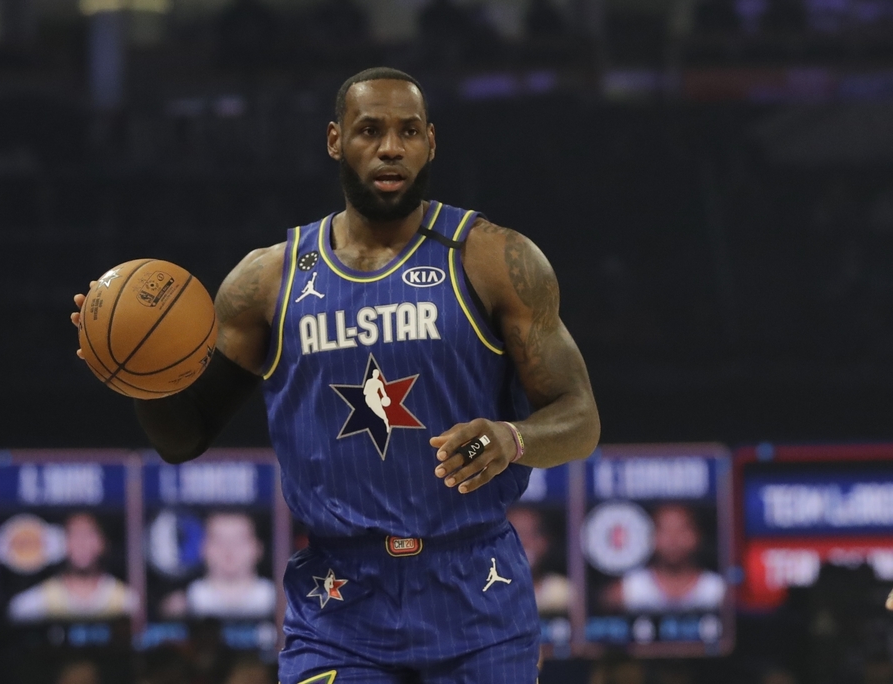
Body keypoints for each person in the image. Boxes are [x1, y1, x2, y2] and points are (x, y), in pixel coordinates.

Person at [72, 67, 600, 683]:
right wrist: (140, 376)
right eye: (369, 130)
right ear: (334, 140)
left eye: (408, 131)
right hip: (338, 602)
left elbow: (580, 418)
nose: (390, 147)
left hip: (477, 590)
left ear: (431, 142)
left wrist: (512, 438)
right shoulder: (266, 281)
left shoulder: (494, 259)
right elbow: (183, 437)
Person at [8, 512, 137, 621]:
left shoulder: (127, 602)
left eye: (89, 535)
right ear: (62, 543)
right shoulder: (31, 604)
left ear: (103, 543)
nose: (82, 544)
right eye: (74, 535)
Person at [601, 504, 725, 613]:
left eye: (682, 530)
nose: (673, 540)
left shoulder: (718, 591)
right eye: (664, 530)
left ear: (697, 536)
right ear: (650, 536)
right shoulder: (625, 592)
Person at [161, 511, 275, 619]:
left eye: (239, 540)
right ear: (203, 548)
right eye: (218, 540)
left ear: (258, 548)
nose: (229, 549)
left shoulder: (278, 602)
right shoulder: (180, 607)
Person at [507, 506, 570, 614]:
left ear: (545, 542)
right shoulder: (485, 591)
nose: (524, 543)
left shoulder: (564, 592)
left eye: (531, 535)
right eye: (514, 535)